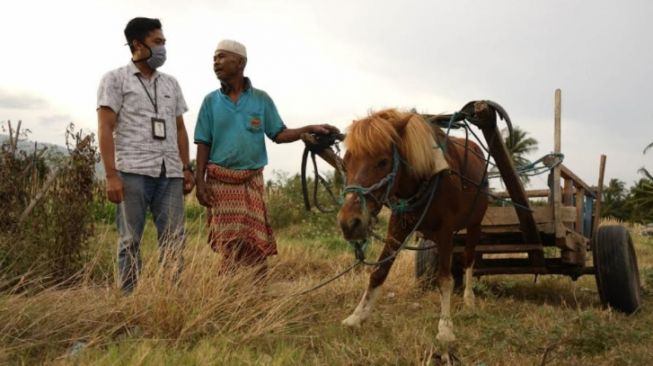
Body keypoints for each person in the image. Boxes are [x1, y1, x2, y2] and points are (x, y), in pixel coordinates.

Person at [194, 39, 338, 275]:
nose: (216, 63)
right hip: (220, 182)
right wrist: (200, 181)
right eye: (214, 59)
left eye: (221, 57)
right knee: (229, 244)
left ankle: (258, 293)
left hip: (252, 181)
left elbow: (279, 134)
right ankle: (228, 294)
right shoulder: (210, 102)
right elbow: (203, 143)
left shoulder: (261, 100)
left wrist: (308, 128)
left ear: (240, 62)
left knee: (255, 242)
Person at [97, 17, 194, 292]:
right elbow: (105, 127)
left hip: (170, 174)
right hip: (132, 172)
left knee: (175, 239)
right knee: (130, 241)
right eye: (158, 42)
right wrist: (111, 175)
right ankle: (129, 302)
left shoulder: (171, 84)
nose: (163, 48)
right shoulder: (115, 79)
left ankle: (171, 299)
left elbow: (179, 129)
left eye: (164, 42)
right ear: (138, 44)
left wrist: (185, 169)